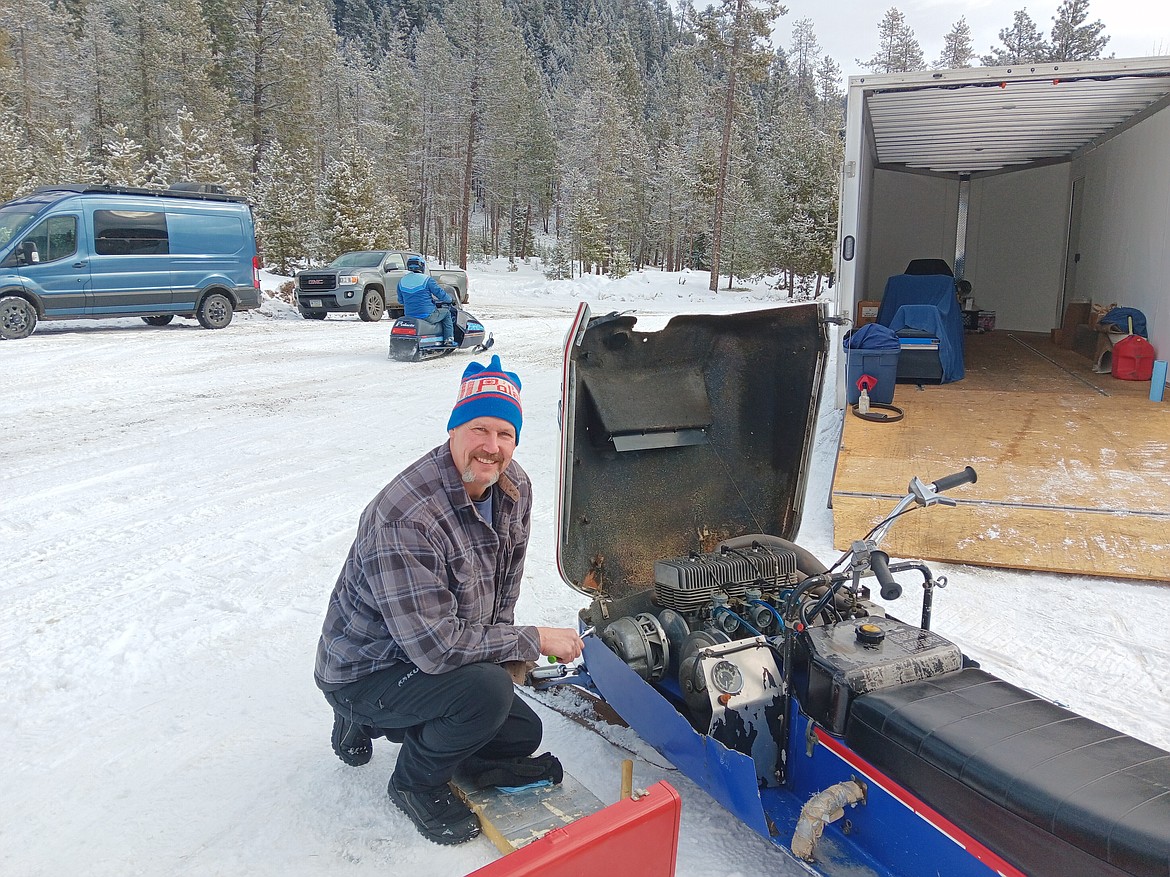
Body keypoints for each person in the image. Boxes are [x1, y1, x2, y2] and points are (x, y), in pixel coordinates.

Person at [314, 354, 583, 845]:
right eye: (479, 429)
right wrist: (531, 641)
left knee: (518, 733)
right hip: (367, 668)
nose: (491, 446)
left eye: (504, 434)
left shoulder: (513, 486)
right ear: (454, 430)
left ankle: (418, 731)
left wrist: (506, 653)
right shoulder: (407, 517)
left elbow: (504, 589)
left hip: (430, 655)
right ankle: (412, 779)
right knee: (485, 695)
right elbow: (435, 649)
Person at [398, 255, 456, 346]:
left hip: (409, 315)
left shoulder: (401, 281)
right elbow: (440, 293)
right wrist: (450, 299)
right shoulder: (427, 280)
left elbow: (401, 301)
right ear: (422, 266)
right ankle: (449, 339)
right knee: (446, 313)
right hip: (426, 315)